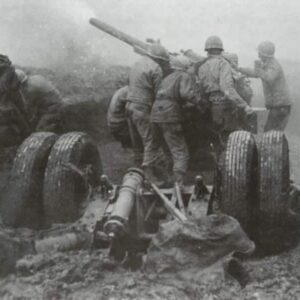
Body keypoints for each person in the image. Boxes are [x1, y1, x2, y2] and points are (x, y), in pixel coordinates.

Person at [148, 55, 198, 187]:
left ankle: (165, 180)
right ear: (185, 66)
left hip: (155, 115)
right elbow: (186, 94)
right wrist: (199, 101)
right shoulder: (184, 76)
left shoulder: (167, 77)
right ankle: (178, 184)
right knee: (180, 152)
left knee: (166, 150)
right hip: (169, 116)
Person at [197, 36, 252, 148]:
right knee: (229, 141)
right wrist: (244, 105)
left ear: (207, 50)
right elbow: (227, 89)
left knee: (216, 140)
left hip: (209, 106)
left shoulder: (202, 66)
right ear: (220, 49)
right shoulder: (223, 64)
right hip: (223, 106)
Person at [126, 43, 170, 167]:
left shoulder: (136, 63)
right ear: (159, 58)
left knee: (137, 143)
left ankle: (137, 169)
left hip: (129, 105)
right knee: (151, 140)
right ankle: (149, 174)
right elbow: (159, 93)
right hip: (142, 107)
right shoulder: (156, 68)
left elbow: (128, 83)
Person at [238, 41, 291, 131]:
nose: (258, 55)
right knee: (273, 133)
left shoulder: (274, 66)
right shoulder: (268, 64)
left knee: (271, 133)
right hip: (278, 106)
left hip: (280, 106)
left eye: (260, 53)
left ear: (264, 54)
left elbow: (268, 77)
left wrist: (258, 69)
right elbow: (256, 73)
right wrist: (239, 69)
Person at [15, 69, 63, 133]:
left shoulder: (30, 90)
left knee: (40, 129)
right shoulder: (36, 77)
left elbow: (27, 107)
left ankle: (56, 132)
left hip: (53, 108)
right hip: (50, 104)